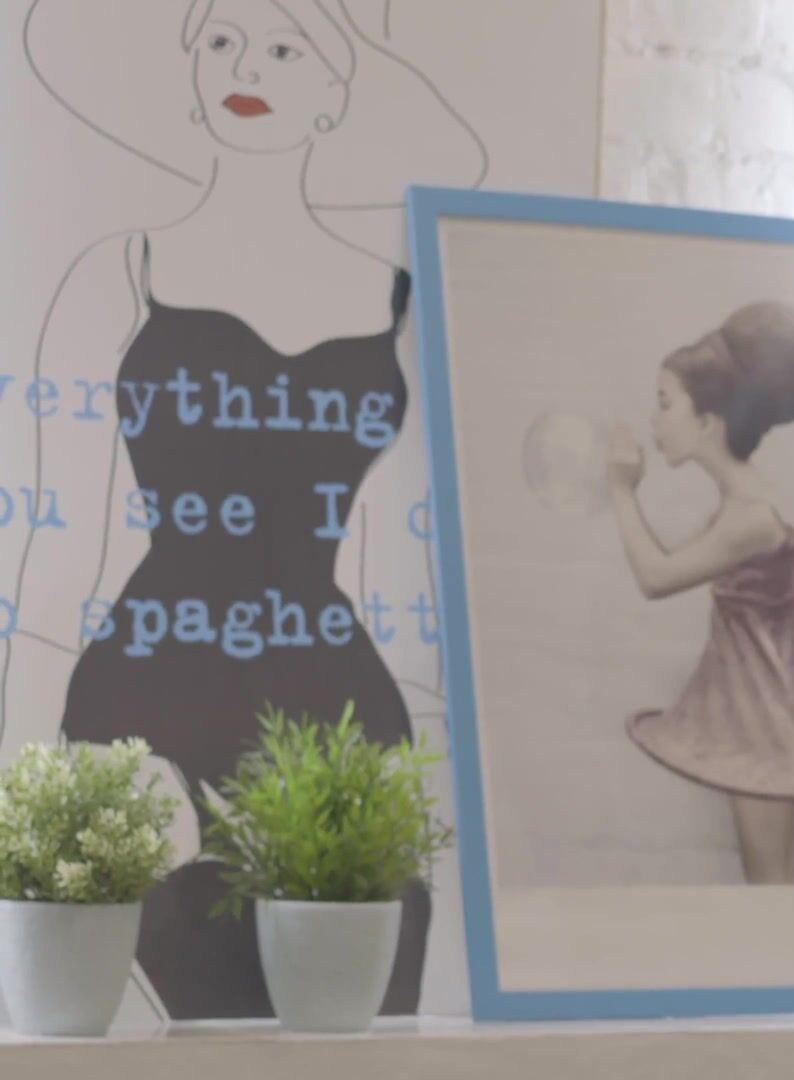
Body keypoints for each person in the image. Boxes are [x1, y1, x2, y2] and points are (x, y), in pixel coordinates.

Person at [6, 0, 483, 1020]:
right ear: (191, 76)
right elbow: (60, 547)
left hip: (338, 711)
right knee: (182, 1018)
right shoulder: (121, 273)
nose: (245, 66)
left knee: (363, 1025)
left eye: (283, 47)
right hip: (145, 711)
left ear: (333, 96)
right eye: (220, 41)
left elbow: (416, 555)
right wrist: (37, 778)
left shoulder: (403, 302)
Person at [604, 301, 794, 885]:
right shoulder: (742, 504)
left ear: (707, 421)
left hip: (768, 716)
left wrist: (621, 490)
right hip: (752, 708)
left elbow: (655, 577)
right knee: (765, 876)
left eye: (666, 403)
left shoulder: (748, 518)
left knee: (769, 878)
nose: (655, 421)